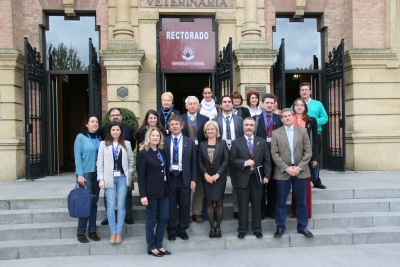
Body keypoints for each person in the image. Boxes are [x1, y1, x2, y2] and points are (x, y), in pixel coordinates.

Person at [271, 108, 313, 238]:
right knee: (281, 201)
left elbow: (308, 152)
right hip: (283, 172)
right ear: (281, 119)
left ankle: (302, 227)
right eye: (285, 116)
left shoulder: (303, 131)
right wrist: (287, 168)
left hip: (300, 171)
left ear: (292, 117)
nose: (288, 118)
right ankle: (280, 227)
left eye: (289, 115)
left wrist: (299, 167)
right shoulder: (276, 133)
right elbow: (274, 153)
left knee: (301, 201)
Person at [230, 117, 271, 239]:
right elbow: (232, 160)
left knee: (257, 205)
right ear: (243, 127)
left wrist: (267, 175)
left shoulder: (262, 142)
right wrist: (244, 163)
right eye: (246, 125)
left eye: (251, 125)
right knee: (242, 206)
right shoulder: (236, 142)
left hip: (257, 178)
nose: (248, 127)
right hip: (242, 178)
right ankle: (242, 229)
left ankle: (257, 229)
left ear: (254, 127)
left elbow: (267, 161)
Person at [97, 121, 134, 244]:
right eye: (113, 130)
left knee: (122, 205)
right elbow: (100, 163)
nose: (115, 132)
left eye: (117, 130)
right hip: (109, 178)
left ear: (121, 131)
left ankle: (119, 232)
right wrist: (101, 179)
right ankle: (112, 232)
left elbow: (131, 162)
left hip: (122, 177)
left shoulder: (126, 144)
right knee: (111, 206)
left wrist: (130, 173)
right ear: (109, 131)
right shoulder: (103, 144)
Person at [137, 127, 171, 257]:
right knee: (151, 220)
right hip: (150, 192)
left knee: (164, 217)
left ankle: (159, 244)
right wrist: (143, 195)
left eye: (158, 136)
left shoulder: (161, 151)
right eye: (153, 135)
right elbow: (141, 176)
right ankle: (151, 246)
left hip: (163, 191)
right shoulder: (143, 153)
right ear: (148, 137)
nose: (156, 137)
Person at [164, 114, 197, 241]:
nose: (174, 126)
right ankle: (171, 229)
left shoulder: (190, 142)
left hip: (185, 177)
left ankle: (182, 229)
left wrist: (193, 179)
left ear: (182, 126)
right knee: (170, 205)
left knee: (184, 205)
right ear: (169, 127)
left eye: (177, 124)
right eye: (172, 124)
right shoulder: (164, 141)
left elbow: (194, 162)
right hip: (170, 177)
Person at [213, 95, 244, 219]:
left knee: (237, 183)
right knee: (219, 182)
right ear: (220, 105)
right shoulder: (214, 120)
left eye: (229, 102)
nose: (227, 104)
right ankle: (216, 208)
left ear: (232, 104)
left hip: (236, 154)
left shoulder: (240, 120)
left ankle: (236, 209)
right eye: (224, 102)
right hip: (220, 154)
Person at [197, 121, 229, 238]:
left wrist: (217, 175)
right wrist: (205, 174)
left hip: (219, 178)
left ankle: (218, 227)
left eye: (212, 129)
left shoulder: (222, 143)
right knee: (209, 202)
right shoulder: (202, 144)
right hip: (207, 177)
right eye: (208, 129)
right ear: (205, 132)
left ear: (217, 130)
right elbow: (199, 160)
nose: (210, 131)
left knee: (219, 202)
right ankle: (212, 227)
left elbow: (226, 160)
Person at [254, 94, 283, 220]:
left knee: (273, 184)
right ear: (262, 103)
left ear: (275, 104)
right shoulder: (255, 119)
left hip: (276, 154)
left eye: (272, 102)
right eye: (267, 102)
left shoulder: (280, 119)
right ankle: (261, 210)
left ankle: (271, 209)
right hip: (260, 155)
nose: (270, 105)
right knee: (260, 184)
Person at [181, 96, 208, 223]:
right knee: (186, 184)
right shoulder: (179, 119)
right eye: (190, 104)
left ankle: (197, 212)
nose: (192, 106)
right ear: (186, 106)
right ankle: (188, 212)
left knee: (200, 186)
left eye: (194, 104)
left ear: (198, 106)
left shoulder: (205, 119)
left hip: (201, 155)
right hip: (184, 156)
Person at [74, 114, 101, 243]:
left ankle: (92, 230)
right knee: (85, 203)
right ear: (86, 124)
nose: (95, 123)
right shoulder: (81, 137)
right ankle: (81, 232)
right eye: (92, 121)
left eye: (96, 121)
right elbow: (78, 157)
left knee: (94, 204)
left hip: (97, 174)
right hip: (85, 174)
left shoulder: (99, 139)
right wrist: (79, 174)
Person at [290, 98, 319, 218]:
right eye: (296, 105)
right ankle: (295, 211)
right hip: (290, 157)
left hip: (306, 158)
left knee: (304, 186)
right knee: (293, 184)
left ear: (305, 107)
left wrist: (315, 157)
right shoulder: (288, 119)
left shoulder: (311, 121)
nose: (299, 107)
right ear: (294, 107)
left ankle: (305, 212)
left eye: (301, 105)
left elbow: (316, 140)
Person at [299, 82, 328, 189]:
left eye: (306, 89)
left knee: (314, 158)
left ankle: (316, 180)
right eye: (302, 90)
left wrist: (312, 124)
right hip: (299, 137)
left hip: (314, 135)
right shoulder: (296, 104)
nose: (304, 91)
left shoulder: (318, 104)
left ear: (310, 91)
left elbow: (325, 118)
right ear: (300, 92)